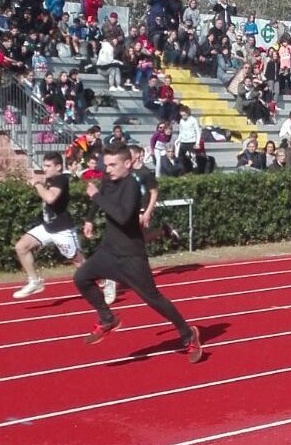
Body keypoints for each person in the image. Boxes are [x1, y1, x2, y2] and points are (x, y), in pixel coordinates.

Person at [74, 144, 203, 362]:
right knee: (81, 278)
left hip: (131, 256)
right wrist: (89, 219)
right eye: (106, 165)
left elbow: (123, 217)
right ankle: (107, 318)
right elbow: (102, 196)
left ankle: (188, 334)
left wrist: (96, 197)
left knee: (154, 299)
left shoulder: (132, 186)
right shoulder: (108, 180)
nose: (108, 169)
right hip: (108, 251)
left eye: (113, 165)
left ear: (128, 163)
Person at [12, 152, 95, 299]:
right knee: (21, 247)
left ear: (58, 167)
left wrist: (37, 184)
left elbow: (50, 198)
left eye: (48, 166)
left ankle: (105, 280)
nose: (45, 169)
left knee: (79, 262)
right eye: (44, 165)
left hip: (62, 230)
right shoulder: (51, 179)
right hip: (47, 227)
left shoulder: (60, 179)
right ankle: (35, 281)